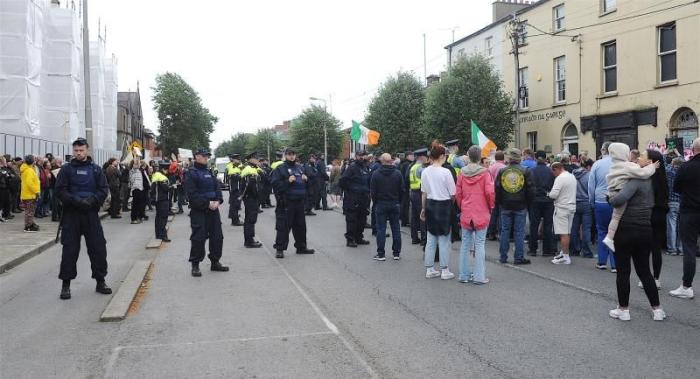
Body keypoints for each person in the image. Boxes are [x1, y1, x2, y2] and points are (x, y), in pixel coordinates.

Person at [607, 147, 666, 321]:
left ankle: (623, 310)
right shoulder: (656, 181)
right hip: (645, 229)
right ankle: (658, 310)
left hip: (626, 228)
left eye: (641, 156)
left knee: (623, 271)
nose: (637, 157)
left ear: (648, 163)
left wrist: (609, 198)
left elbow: (619, 199)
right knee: (644, 271)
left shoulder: (636, 179)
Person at [55, 138, 111, 300]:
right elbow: (60, 190)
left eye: (81, 150)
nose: (79, 153)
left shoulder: (96, 170)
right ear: (73, 151)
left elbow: (103, 189)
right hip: (72, 214)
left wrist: (92, 201)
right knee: (70, 250)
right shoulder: (66, 170)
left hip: (90, 214)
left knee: (98, 248)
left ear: (87, 150)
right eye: (76, 151)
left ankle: (100, 281)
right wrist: (75, 201)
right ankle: (66, 285)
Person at [601, 143, 658, 252]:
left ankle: (609, 237)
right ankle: (609, 238)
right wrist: (652, 167)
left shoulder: (614, 165)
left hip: (612, 191)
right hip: (620, 193)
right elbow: (643, 173)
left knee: (615, 217)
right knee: (617, 216)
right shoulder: (628, 166)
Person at [186, 148, 229, 277]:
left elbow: (217, 189)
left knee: (217, 237)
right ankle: (195, 265)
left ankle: (215, 262)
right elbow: (191, 194)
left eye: (207, 156)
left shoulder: (209, 172)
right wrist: (207, 203)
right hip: (199, 211)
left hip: (213, 211)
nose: (206, 158)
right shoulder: (191, 173)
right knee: (198, 238)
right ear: (196, 156)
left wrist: (218, 200)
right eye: (204, 156)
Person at [455, 145, 494, 284]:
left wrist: (462, 206)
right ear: (479, 157)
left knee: (465, 244)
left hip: (467, 211)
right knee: (480, 244)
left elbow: (458, 193)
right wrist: (491, 206)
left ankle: (464, 275)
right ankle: (479, 276)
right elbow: (490, 193)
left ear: (468, 156)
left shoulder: (462, 173)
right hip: (481, 211)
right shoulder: (485, 173)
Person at [669, 137, 700, 300]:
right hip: (690, 210)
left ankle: (687, 286)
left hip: (690, 211)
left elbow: (676, 188)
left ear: (693, 149)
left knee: (689, 248)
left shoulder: (686, 167)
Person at [420, 142, 456, 280]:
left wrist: (423, 208)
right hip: (444, 205)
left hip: (430, 204)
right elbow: (453, 193)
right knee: (444, 239)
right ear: (441, 156)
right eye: (445, 155)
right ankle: (444, 269)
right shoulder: (446, 172)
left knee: (431, 238)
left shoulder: (425, 171)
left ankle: (429, 269)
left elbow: (423, 192)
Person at [270, 147, 314, 258]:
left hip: (299, 202)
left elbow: (309, 185)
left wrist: (306, 179)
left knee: (300, 227)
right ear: (285, 155)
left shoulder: (299, 168)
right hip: (286, 202)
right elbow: (275, 185)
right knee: (283, 227)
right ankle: (280, 249)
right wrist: (287, 181)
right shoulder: (280, 169)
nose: (292, 156)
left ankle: (301, 247)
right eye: (289, 154)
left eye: (293, 154)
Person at [495, 148, 535, 264]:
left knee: (505, 231)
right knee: (519, 232)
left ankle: (503, 257)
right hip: (521, 205)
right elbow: (531, 190)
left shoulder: (502, 171)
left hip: (506, 205)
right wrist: (528, 203)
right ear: (519, 158)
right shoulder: (526, 171)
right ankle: (518, 258)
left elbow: (497, 189)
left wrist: (500, 202)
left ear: (510, 158)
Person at [588, 142, 616, 272]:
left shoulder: (597, 164)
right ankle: (615, 264)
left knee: (602, 231)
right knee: (615, 232)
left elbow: (591, 185)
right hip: (616, 200)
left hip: (600, 200)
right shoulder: (619, 163)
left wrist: (592, 201)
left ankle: (602, 261)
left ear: (603, 150)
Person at [370, 153, 404, 261]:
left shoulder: (376, 174)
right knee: (396, 228)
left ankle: (381, 254)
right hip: (394, 203)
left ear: (382, 161)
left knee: (381, 229)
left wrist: (376, 202)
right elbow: (402, 190)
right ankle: (396, 253)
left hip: (381, 204)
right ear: (390, 161)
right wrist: (398, 201)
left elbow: (373, 191)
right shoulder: (397, 173)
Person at [340, 150, 371, 247]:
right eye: (360, 156)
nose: (362, 157)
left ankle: (359, 237)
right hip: (353, 198)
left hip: (363, 197)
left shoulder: (365, 167)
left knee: (362, 218)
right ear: (356, 156)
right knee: (352, 219)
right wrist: (351, 191)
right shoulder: (352, 167)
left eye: (363, 155)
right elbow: (343, 181)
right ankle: (350, 239)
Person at [528, 150, 556, 256]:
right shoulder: (550, 172)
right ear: (545, 158)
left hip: (535, 201)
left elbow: (529, 186)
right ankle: (547, 250)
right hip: (548, 200)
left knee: (534, 225)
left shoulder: (531, 171)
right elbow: (554, 186)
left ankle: (532, 249)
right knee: (548, 225)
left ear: (535, 158)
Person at [548, 162, 577, 265]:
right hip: (571, 206)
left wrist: (548, 194)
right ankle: (563, 253)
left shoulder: (560, 178)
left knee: (563, 233)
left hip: (562, 207)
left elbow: (554, 195)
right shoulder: (572, 176)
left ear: (556, 169)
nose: (553, 174)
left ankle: (565, 256)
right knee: (567, 232)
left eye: (553, 172)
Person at [571, 158, 594, 258]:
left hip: (574, 202)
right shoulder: (590, 175)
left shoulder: (573, 174)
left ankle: (575, 250)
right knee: (586, 229)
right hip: (586, 203)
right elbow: (592, 191)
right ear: (589, 166)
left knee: (574, 228)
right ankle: (586, 252)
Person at [240, 152, 263, 248]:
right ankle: (249, 241)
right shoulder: (249, 169)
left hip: (252, 197)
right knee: (250, 219)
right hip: (250, 197)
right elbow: (249, 186)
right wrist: (256, 195)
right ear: (250, 160)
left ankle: (250, 239)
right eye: (256, 158)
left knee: (251, 219)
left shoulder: (253, 168)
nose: (258, 160)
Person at [408, 148, 428, 245]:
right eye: (425, 157)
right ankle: (424, 239)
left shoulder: (413, 167)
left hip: (413, 192)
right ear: (422, 157)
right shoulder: (421, 168)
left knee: (414, 216)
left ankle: (414, 238)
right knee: (422, 216)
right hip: (420, 193)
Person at [150, 160, 172, 242]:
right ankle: (163, 235)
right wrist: (171, 187)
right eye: (167, 169)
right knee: (163, 218)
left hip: (158, 200)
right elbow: (166, 188)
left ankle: (158, 234)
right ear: (163, 169)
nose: (167, 171)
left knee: (158, 218)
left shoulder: (156, 174)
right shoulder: (162, 177)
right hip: (163, 200)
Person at [486, 151, 506, 241]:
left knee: (493, 213)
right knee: (502, 213)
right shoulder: (505, 168)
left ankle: (491, 233)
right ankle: (501, 233)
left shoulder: (491, 167)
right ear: (503, 158)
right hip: (502, 193)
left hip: (492, 192)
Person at [665, 157, 683, 255]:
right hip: (683, 202)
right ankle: (681, 249)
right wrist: (678, 154)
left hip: (672, 202)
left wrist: (666, 153)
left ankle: (672, 249)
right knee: (681, 227)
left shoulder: (670, 172)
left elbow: (663, 165)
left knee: (672, 226)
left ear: (673, 163)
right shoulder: (685, 173)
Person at [20, 155, 40, 232]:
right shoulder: (29, 170)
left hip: (26, 194)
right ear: (32, 161)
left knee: (29, 211)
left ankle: (30, 223)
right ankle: (28, 226)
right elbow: (30, 183)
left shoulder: (26, 169)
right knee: (30, 211)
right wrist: (36, 191)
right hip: (30, 194)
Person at [129, 157, 148, 224]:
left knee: (139, 204)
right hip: (136, 189)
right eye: (138, 163)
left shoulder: (139, 170)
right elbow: (135, 165)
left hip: (140, 188)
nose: (139, 164)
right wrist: (136, 161)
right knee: (135, 205)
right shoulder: (133, 170)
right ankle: (133, 219)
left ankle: (137, 217)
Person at [226, 154, 243, 226]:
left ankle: (234, 218)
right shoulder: (231, 167)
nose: (238, 160)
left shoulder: (237, 166)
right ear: (233, 159)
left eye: (239, 159)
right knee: (235, 205)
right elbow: (235, 177)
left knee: (235, 205)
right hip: (234, 189)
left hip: (236, 189)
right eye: (237, 159)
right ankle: (235, 221)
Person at [399, 151, 414, 226]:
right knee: (405, 204)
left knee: (403, 203)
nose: (413, 157)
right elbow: (406, 176)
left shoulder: (402, 163)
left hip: (402, 186)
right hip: (406, 186)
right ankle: (405, 220)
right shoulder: (407, 164)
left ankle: (403, 220)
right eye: (411, 156)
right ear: (407, 156)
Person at [0, 157, 13, 222]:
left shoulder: (4, 168)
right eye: (4, 161)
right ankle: (1, 216)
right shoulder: (1, 169)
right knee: (1, 202)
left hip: (6, 187)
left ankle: (4, 215)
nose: (6, 162)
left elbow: (7, 176)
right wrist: (3, 174)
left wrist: (9, 176)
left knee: (6, 202)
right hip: (1, 187)